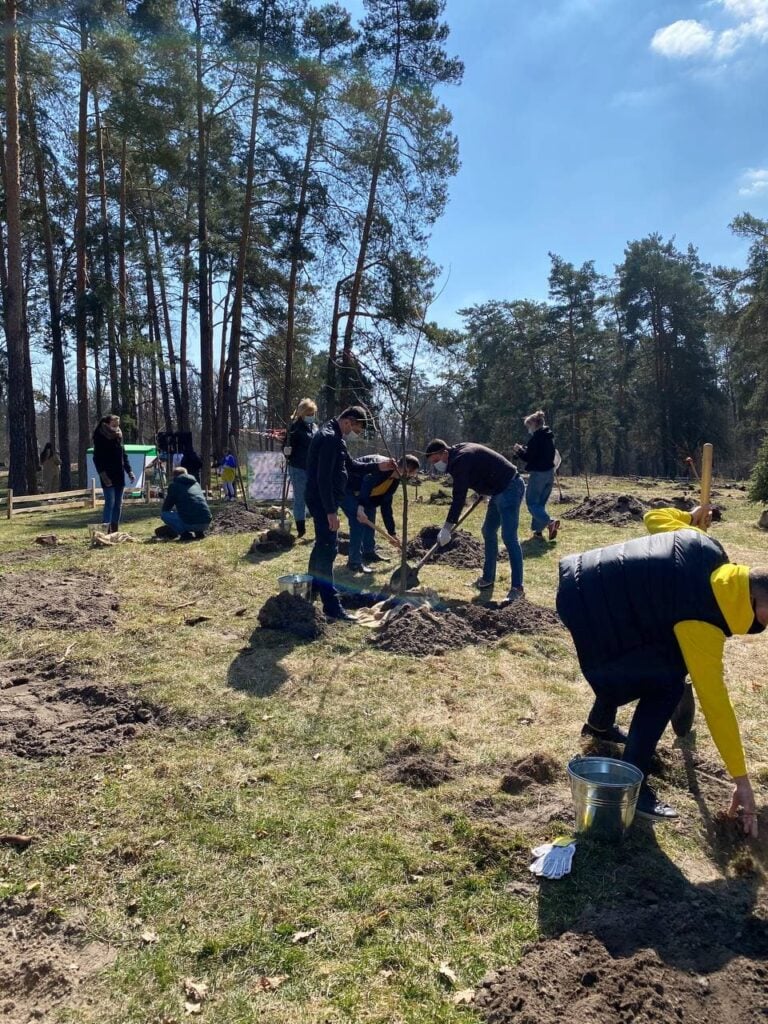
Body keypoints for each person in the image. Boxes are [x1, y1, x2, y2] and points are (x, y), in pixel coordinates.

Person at [556, 504, 764, 832]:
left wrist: (689, 518)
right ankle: (633, 782)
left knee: (654, 652)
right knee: (666, 682)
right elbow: (715, 703)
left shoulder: (705, 546)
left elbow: (653, 518)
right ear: (752, 600)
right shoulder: (701, 622)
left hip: (582, 576)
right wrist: (741, 779)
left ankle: (598, 725)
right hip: (591, 607)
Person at [305, 406, 393, 621]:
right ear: (349, 421)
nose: (358, 434)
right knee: (328, 548)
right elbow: (323, 478)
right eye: (358, 429)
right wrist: (330, 511)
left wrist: (379, 466)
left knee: (322, 544)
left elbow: (351, 466)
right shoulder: (329, 438)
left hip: (323, 500)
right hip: (322, 501)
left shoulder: (336, 437)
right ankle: (331, 606)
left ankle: (312, 590)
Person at [424, 438, 526, 602]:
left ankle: (517, 588)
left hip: (509, 487)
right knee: (488, 530)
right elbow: (479, 467)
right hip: (497, 489)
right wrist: (484, 488)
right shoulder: (457, 454)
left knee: (509, 537)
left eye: (436, 460)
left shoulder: (460, 459)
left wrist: (447, 527)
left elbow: (459, 496)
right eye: (433, 462)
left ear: (444, 452)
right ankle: (488, 578)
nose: (436, 465)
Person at [342, 454, 419, 573]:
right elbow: (366, 482)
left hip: (366, 496)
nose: (410, 477)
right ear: (405, 469)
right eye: (410, 473)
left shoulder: (394, 481)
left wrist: (391, 532)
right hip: (348, 489)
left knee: (370, 518)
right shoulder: (382, 468)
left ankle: (369, 553)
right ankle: (354, 562)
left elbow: (386, 506)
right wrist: (361, 507)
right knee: (358, 522)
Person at [513, 409, 559, 541]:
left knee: (532, 503)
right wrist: (525, 450)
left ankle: (550, 522)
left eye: (529, 426)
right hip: (550, 473)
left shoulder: (536, 439)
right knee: (540, 504)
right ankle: (538, 532)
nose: (528, 429)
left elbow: (529, 457)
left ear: (534, 425)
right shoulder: (548, 436)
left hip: (539, 474)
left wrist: (519, 451)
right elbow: (539, 454)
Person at [92, 414, 135, 533]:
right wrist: (103, 474)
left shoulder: (118, 437)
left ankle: (115, 529)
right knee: (110, 502)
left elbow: (123, 455)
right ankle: (106, 529)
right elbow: (97, 459)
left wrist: (129, 471)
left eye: (118, 425)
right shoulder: (100, 438)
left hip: (119, 473)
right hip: (107, 474)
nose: (116, 427)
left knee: (118, 503)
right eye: (114, 425)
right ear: (106, 424)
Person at [283, 398, 318, 538]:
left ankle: (318, 526)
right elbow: (286, 446)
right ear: (301, 414)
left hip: (312, 468)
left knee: (315, 497)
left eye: (313, 413)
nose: (311, 416)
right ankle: (301, 529)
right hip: (297, 467)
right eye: (309, 413)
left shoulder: (314, 427)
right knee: (300, 498)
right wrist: (286, 451)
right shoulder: (294, 428)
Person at [157, 466, 212, 541]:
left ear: (175, 476)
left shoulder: (174, 486)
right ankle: (199, 533)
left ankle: (185, 534)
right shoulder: (196, 484)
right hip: (206, 522)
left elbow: (166, 508)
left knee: (165, 514)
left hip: (190, 523)